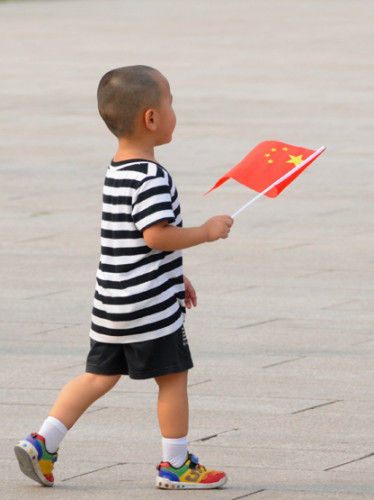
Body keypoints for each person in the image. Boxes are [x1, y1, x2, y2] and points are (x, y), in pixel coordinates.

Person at [14, 65, 233, 490]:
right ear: (151, 118)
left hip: (112, 301)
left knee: (96, 377)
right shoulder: (152, 176)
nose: (174, 111)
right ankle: (176, 464)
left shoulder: (118, 169)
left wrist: (176, 277)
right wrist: (205, 233)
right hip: (146, 307)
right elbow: (156, 235)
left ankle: (44, 441)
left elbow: (132, 240)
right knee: (172, 378)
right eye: (171, 102)